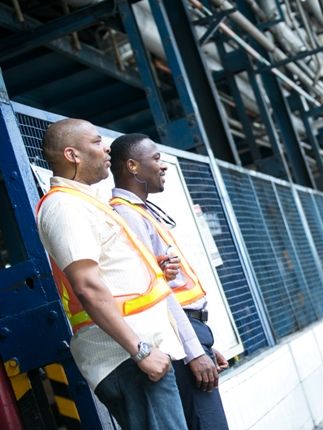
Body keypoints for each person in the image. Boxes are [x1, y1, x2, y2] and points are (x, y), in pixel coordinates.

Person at [36, 119, 188, 430]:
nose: (107, 147)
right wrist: (140, 349)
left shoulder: (83, 202)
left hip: (136, 356)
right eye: (95, 142)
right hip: (127, 358)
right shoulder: (64, 207)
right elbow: (88, 287)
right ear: (72, 155)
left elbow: (107, 274)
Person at [108, 133, 230, 430]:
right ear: (133, 166)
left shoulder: (142, 212)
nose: (163, 166)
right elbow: (160, 292)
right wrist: (193, 350)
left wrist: (200, 341)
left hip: (188, 330)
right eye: (156, 159)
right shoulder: (127, 215)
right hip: (180, 336)